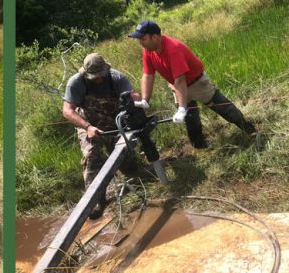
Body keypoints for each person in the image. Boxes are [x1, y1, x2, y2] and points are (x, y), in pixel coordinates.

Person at [128, 20, 256, 149]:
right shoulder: (148, 50)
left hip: (197, 83)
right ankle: (200, 145)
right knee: (190, 118)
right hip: (177, 86)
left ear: (154, 37)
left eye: (142, 39)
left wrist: (181, 108)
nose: (140, 42)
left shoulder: (173, 49)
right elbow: (148, 75)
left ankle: (250, 130)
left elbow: (180, 80)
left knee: (222, 106)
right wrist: (145, 99)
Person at [62, 53, 141, 220]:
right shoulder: (76, 82)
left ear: (106, 70)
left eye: (100, 75)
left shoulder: (116, 77)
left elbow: (133, 95)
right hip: (88, 124)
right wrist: (88, 127)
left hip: (115, 123)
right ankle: (97, 200)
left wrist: (135, 100)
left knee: (125, 155)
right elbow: (67, 111)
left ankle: (135, 179)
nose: (97, 79)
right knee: (92, 156)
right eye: (93, 76)